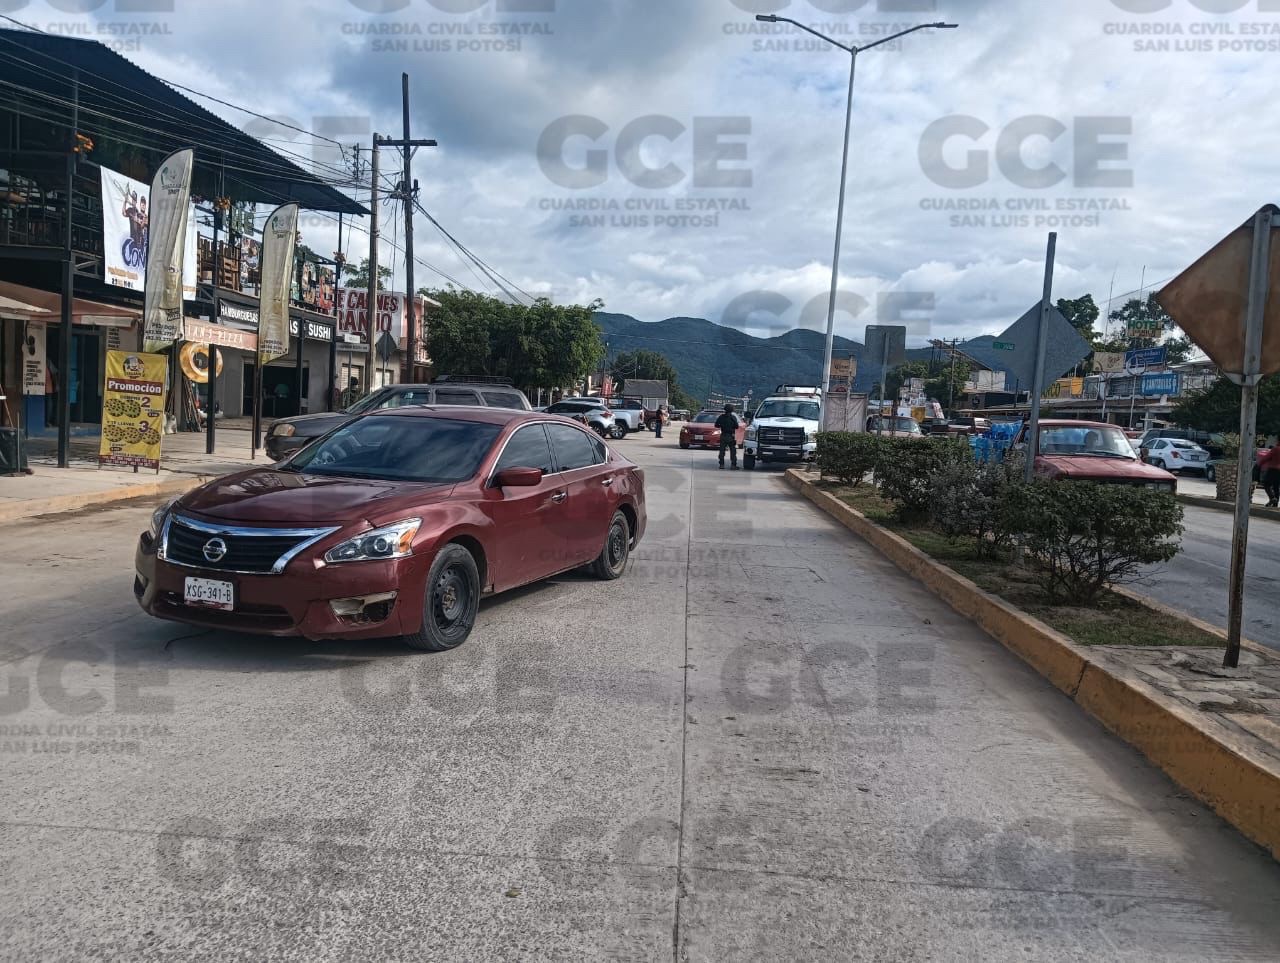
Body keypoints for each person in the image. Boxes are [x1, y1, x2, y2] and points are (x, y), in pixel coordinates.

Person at [715, 404, 740, 470]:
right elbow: (737, 426)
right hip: (731, 436)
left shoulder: (721, 417)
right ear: (732, 410)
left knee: (722, 450)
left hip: (723, 435)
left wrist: (722, 425)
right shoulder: (733, 417)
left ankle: (721, 464)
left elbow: (716, 425)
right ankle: (733, 465)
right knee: (733, 451)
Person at [1261, 439, 1280, 508]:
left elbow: (1267, 457)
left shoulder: (1276, 449)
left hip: (1273, 469)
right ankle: (1275, 504)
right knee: (1276, 487)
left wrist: (1259, 463)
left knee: (1266, 484)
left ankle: (1272, 498)